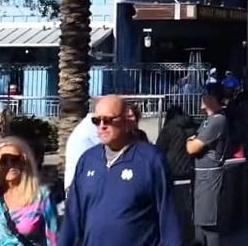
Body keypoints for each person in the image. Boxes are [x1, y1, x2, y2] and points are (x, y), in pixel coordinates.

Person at [59, 95, 179, 246]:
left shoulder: (151, 159)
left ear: (126, 121)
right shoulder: (88, 160)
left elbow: (169, 218)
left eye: (108, 120)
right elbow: (72, 217)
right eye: (97, 121)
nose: (102, 126)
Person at [188, 87, 229, 246]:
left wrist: (189, 142)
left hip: (210, 176)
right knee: (199, 223)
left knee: (209, 224)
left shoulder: (218, 120)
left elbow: (193, 147)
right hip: (200, 175)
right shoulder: (208, 120)